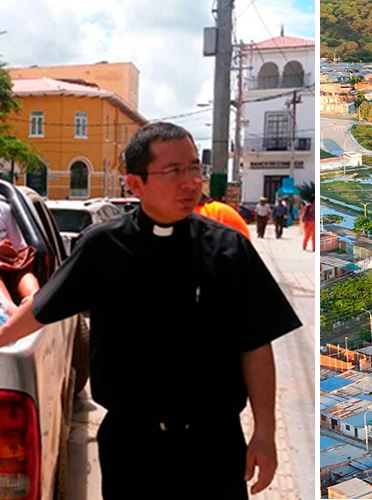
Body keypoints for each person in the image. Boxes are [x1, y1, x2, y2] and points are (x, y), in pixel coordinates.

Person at [0, 122, 301, 499]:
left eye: (194, 167)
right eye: (174, 171)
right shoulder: (104, 247)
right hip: (133, 448)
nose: (191, 181)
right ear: (135, 184)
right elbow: (41, 310)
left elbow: (255, 345)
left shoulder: (229, 250)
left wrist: (265, 433)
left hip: (215, 446)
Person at [0, 198, 40, 314]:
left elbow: (19, 247)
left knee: (24, 274)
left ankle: (34, 306)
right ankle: (12, 313)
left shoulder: (4, 209)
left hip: (10, 261)